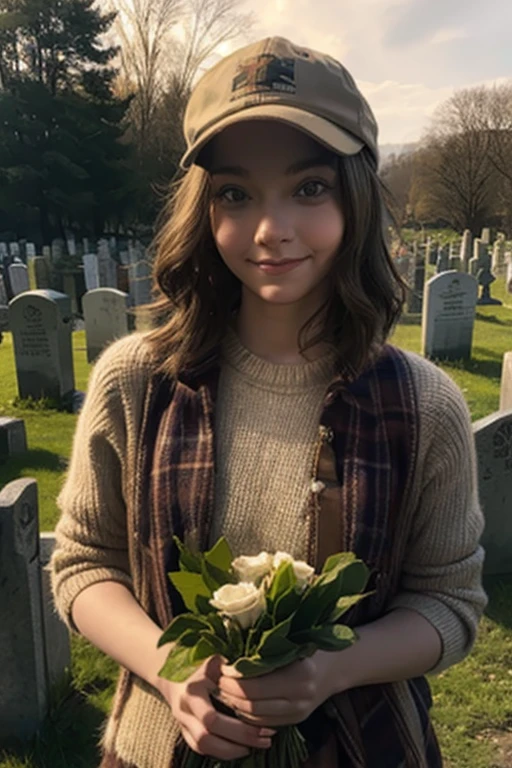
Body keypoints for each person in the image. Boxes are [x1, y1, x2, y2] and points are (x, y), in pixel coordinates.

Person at [50, 36, 487, 768]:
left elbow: (450, 602)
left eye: (308, 188)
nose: (268, 230)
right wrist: (169, 666)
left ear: (353, 196)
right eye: (235, 193)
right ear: (205, 207)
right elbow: (83, 563)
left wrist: (332, 667)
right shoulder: (135, 381)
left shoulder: (423, 405)